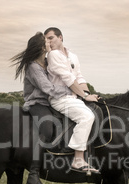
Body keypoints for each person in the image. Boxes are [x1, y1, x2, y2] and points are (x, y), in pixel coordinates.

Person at [11, 32, 68, 184]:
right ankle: (34, 173)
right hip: (38, 103)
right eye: (46, 40)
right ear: (41, 47)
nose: (50, 42)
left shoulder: (46, 62)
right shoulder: (33, 67)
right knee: (47, 128)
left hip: (51, 102)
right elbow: (48, 88)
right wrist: (70, 91)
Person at [44, 27, 100, 174]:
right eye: (46, 39)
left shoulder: (73, 56)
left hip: (74, 97)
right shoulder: (53, 55)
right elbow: (68, 78)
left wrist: (87, 93)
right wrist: (85, 96)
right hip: (60, 98)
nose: (48, 42)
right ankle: (78, 159)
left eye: (51, 38)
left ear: (60, 37)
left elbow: (79, 76)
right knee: (87, 116)